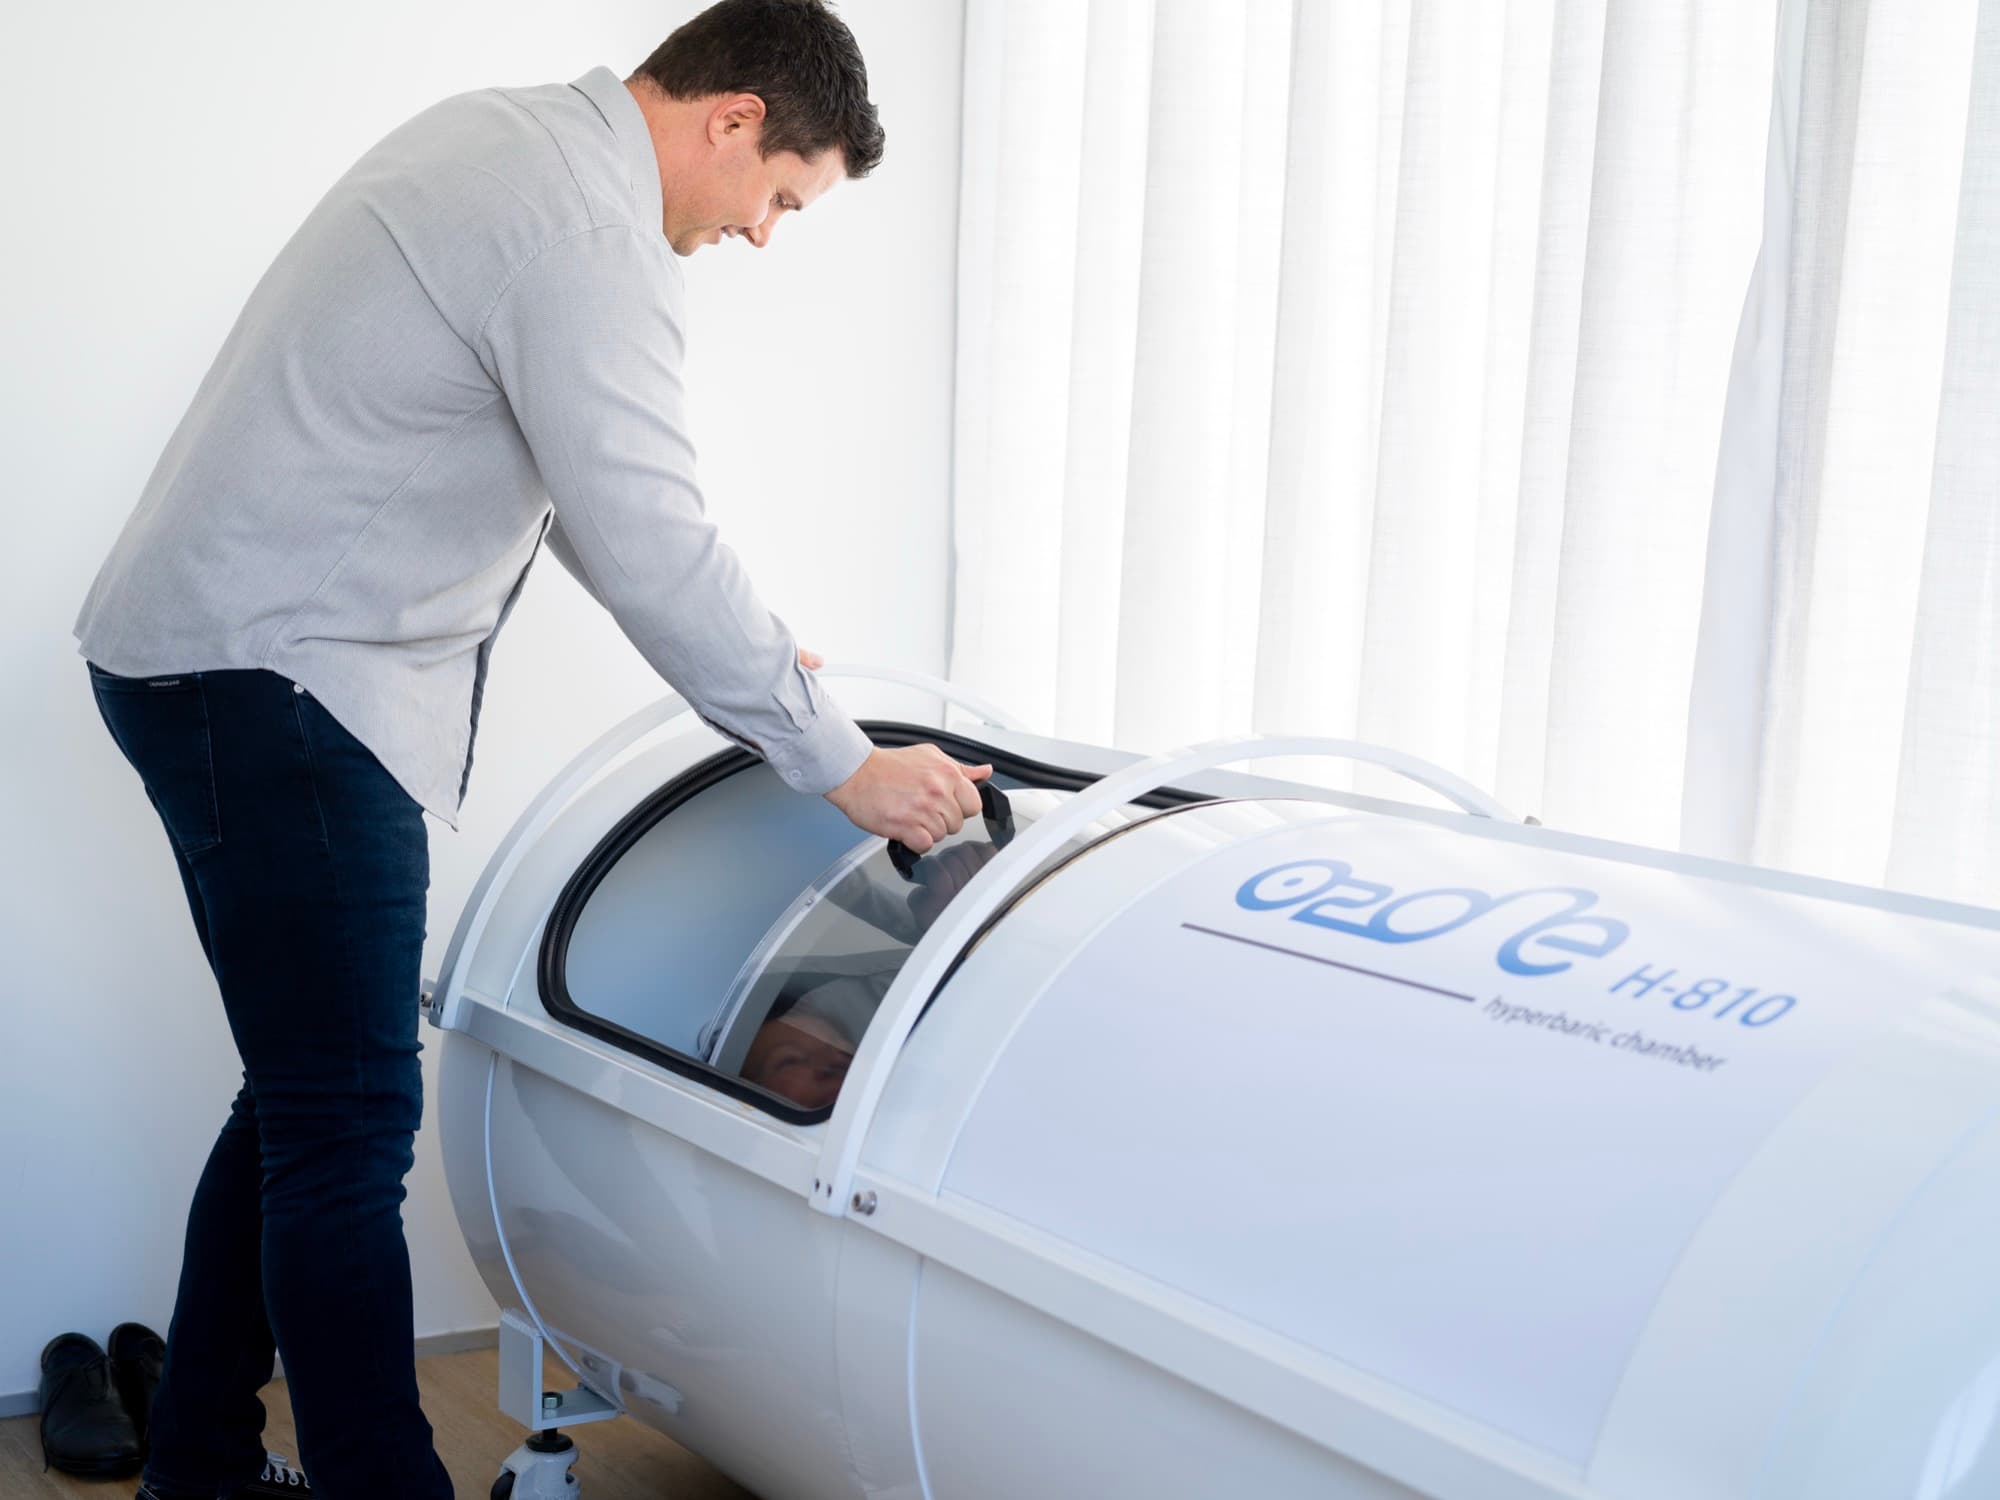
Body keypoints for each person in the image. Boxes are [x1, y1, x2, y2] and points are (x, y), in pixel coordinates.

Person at [72, 3, 987, 1495]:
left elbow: (574, 485)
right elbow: (644, 527)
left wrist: (767, 675)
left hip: (222, 658)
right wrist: (842, 763)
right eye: (780, 200)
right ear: (736, 118)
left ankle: (200, 1462)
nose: (763, 235)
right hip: (285, 681)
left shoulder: (503, 138)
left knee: (303, 1101)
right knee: (348, 1124)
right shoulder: (584, 229)